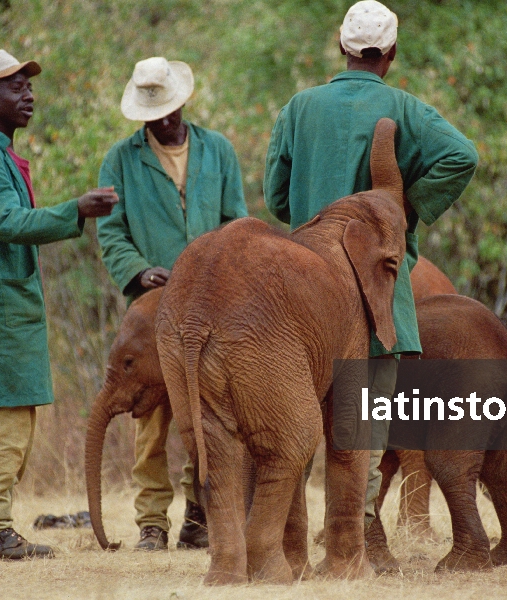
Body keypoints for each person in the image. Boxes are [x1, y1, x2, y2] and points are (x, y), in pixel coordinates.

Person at [263, 0, 479, 573]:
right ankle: (353, 543)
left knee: (297, 421)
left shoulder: (299, 107)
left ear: (341, 47)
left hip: (302, 290)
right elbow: (463, 155)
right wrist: (403, 210)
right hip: (376, 291)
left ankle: (289, 548)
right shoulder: (403, 107)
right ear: (391, 54)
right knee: (360, 425)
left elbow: (277, 197)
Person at [0, 49, 118, 560]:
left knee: (15, 415)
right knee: (4, 415)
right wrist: (76, 211)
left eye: (28, 85)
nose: (28, 94)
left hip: (4, 306)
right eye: (15, 86)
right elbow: (5, 222)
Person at [97, 57, 248, 551]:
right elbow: (110, 232)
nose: (160, 119)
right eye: (150, 112)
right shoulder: (121, 160)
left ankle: (200, 515)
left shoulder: (218, 150)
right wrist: (138, 270)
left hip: (213, 303)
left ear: (182, 102)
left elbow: (237, 223)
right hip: (153, 307)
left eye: (166, 108)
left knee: (209, 410)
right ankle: (151, 524)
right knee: (152, 417)